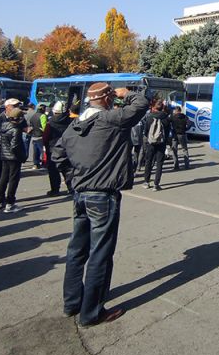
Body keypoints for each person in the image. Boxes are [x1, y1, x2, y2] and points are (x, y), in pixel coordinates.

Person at [51, 83, 148, 327]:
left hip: (80, 194)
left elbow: (58, 156)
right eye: (111, 97)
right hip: (103, 195)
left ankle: (72, 303)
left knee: (77, 251)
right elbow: (141, 104)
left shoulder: (74, 126)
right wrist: (126, 93)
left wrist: (74, 180)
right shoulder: (110, 119)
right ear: (106, 99)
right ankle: (92, 313)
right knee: (100, 254)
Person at [0, 107, 27, 213]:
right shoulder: (16, 129)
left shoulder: (4, 126)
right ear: (19, 118)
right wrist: (22, 157)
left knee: (3, 178)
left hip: (4, 155)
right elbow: (15, 146)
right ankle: (10, 203)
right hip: (14, 158)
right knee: (13, 180)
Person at [43, 101, 73, 196]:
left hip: (52, 149)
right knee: (68, 170)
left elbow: (45, 137)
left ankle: (55, 190)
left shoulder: (50, 123)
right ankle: (71, 188)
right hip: (67, 148)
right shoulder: (71, 122)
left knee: (53, 171)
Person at [142, 100, 172, 191]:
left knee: (148, 162)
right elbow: (167, 132)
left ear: (154, 107)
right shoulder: (166, 118)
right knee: (159, 164)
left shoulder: (149, 117)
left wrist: (149, 138)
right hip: (161, 143)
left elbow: (146, 131)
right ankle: (156, 184)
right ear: (163, 107)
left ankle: (146, 182)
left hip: (151, 143)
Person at [169, 105, 191, 171]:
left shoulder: (172, 117)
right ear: (180, 111)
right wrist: (186, 129)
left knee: (174, 150)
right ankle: (187, 166)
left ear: (175, 111)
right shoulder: (185, 116)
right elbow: (190, 124)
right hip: (183, 134)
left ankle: (176, 166)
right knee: (185, 149)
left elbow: (167, 122)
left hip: (175, 134)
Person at [29, 104, 47, 169]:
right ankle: (44, 164)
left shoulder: (33, 116)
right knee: (43, 150)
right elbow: (44, 127)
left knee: (35, 151)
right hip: (40, 136)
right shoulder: (43, 116)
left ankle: (35, 164)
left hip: (34, 136)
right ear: (43, 109)